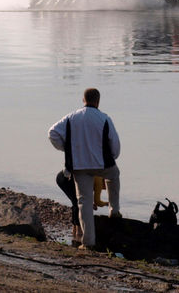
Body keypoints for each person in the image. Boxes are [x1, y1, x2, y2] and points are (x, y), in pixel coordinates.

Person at [49, 88, 122, 250]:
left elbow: (52, 133)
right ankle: (114, 210)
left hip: (79, 166)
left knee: (84, 202)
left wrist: (67, 149)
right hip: (101, 164)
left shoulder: (71, 117)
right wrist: (111, 157)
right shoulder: (104, 118)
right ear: (98, 101)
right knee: (114, 175)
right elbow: (115, 147)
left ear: (83, 100)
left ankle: (88, 242)